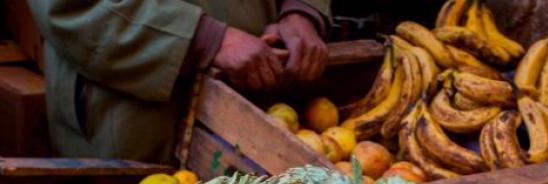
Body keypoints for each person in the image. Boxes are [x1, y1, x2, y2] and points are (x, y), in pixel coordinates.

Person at [28, 1, 331, 163]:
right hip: (133, 124)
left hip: (257, 107)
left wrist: (302, 10)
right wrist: (206, 39)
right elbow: (69, 5)